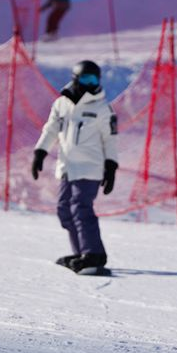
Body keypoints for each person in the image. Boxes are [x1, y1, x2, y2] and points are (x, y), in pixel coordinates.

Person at [31, 60, 118, 275]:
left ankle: (94, 254)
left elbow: (110, 140)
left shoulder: (102, 108)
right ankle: (82, 253)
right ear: (76, 79)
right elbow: (51, 129)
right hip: (68, 166)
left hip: (90, 167)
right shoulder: (62, 104)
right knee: (64, 209)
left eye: (95, 79)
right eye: (87, 79)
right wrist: (40, 152)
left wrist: (111, 167)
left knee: (80, 208)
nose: (91, 84)